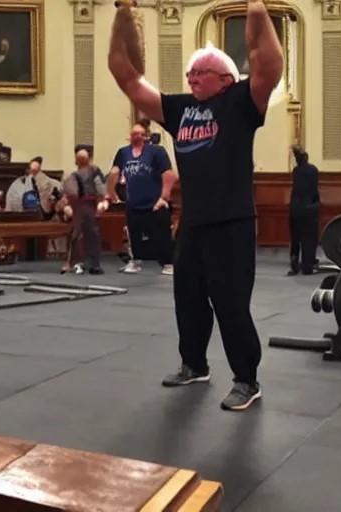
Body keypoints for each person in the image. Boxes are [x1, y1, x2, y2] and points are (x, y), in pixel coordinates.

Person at [108, 0, 283, 411]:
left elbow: (268, 64)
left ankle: (247, 379)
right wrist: (122, 11)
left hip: (233, 221)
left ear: (225, 78)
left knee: (231, 303)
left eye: (200, 72)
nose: (191, 77)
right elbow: (127, 76)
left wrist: (256, 8)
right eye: (189, 73)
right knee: (186, 296)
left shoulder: (241, 101)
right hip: (194, 222)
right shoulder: (179, 109)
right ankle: (194, 364)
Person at [105, 122, 177, 275]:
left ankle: (169, 264)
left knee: (162, 235)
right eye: (133, 134)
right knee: (134, 234)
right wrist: (111, 194)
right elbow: (114, 173)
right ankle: (135, 261)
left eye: (139, 134)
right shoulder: (123, 152)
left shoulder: (156, 152)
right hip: (134, 202)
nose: (135, 136)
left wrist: (164, 197)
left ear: (146, 137)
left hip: (155, 202)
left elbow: (169, 175)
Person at [62, 145, 107, 275]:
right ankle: (80, 263)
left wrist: (103, 200)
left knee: (88, 234)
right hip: (80, 207)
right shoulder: (76, 176)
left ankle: (91, 263)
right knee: (80, 235)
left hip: (87, 206)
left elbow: (100, 189)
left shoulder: (93, 173)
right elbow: (69, 193)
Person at [288, 146, 320, 275]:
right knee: (309, 238)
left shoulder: (296, 172)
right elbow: (314, 190)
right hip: (310, 208)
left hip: (296, 208)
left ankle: (294, 264)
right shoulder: (313, 170)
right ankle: (308, 264)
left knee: (295, 238)